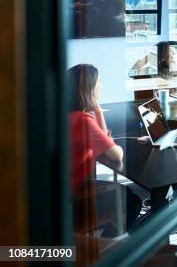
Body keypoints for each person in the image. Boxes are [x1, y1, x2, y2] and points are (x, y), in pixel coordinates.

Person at [69, 64, 142, 235]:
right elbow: (116, 154)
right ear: (89, 88)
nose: (101, 84)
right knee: (132, 200)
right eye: (99, 81)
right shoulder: (83, 121)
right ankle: (109, 248)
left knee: (126, 195)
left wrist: (98, 111)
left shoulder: (68, 115)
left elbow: (102, 147)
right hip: (75, 194)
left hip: (62, 188)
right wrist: (108, 139)